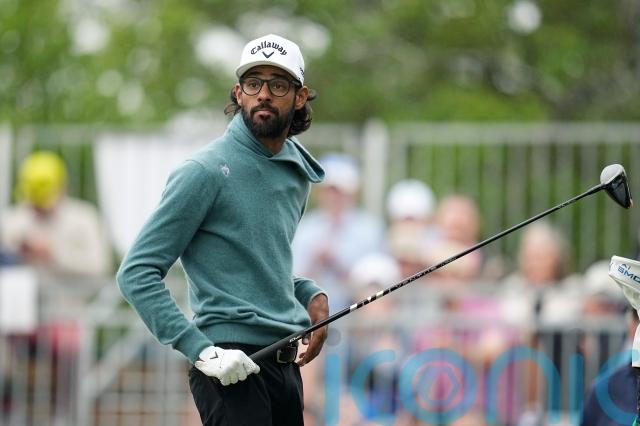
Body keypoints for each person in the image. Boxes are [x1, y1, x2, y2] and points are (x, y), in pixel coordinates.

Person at [116, 33, 329, 426]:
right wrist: (200, 350)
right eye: (253, 83)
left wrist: (308, 293)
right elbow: (136, 272)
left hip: (283, 362)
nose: (263, 94)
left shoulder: (295, 174)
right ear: (238, 92)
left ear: (300, 97)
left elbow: (256, 262)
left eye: (278, 85)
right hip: (227, 361)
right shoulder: (205, 170)